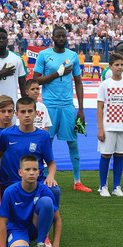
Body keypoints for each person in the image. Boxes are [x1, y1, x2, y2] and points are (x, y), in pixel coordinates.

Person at [33, 26, 90, 192]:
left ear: (66, 37)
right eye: (58, 36)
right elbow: (36, 80)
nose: (61, 38)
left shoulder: (72, 56)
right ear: (52, 37)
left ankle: (77, 181)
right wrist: (58, 73)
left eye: (63, 36)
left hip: (68, 107)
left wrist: (81, 109)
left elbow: (78, 82)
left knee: (73, 142)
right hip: (49, 106)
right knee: (46, 142)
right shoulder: (44, 55)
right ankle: (43, 179)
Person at [0, 155, 62, 247]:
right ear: (20, 173)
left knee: (46, 202)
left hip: (33, 227)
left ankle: (40, 244)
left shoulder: (45, 190)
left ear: (39, 172)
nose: (31, 172)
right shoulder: (10, 192)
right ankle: (18, 243)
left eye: (35, 169)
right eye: (27, 169)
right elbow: (2, 222)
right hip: (16, 229)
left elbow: (57, 220)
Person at [0, 97, 60, 204]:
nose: (27, 115)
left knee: (55, 190)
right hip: (12, 183)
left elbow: (51, 163)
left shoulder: (43, 136)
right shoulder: (6, 134)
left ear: (35, 113)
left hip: (36, 183)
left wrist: (50, 176)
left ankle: (52, 218)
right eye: (23, 111)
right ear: (17, 114)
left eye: (30, 111)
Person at [97, 52, 123, 197]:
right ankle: (103, 186)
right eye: (117, 65)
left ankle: (116, 186)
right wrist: (101, 128)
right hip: (109, 126)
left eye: (122, 65)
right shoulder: (105, 85)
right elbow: (100, 107)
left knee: (120, 155)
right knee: (106, 155)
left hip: (122, 127)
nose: (120, 68)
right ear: (110, 67)